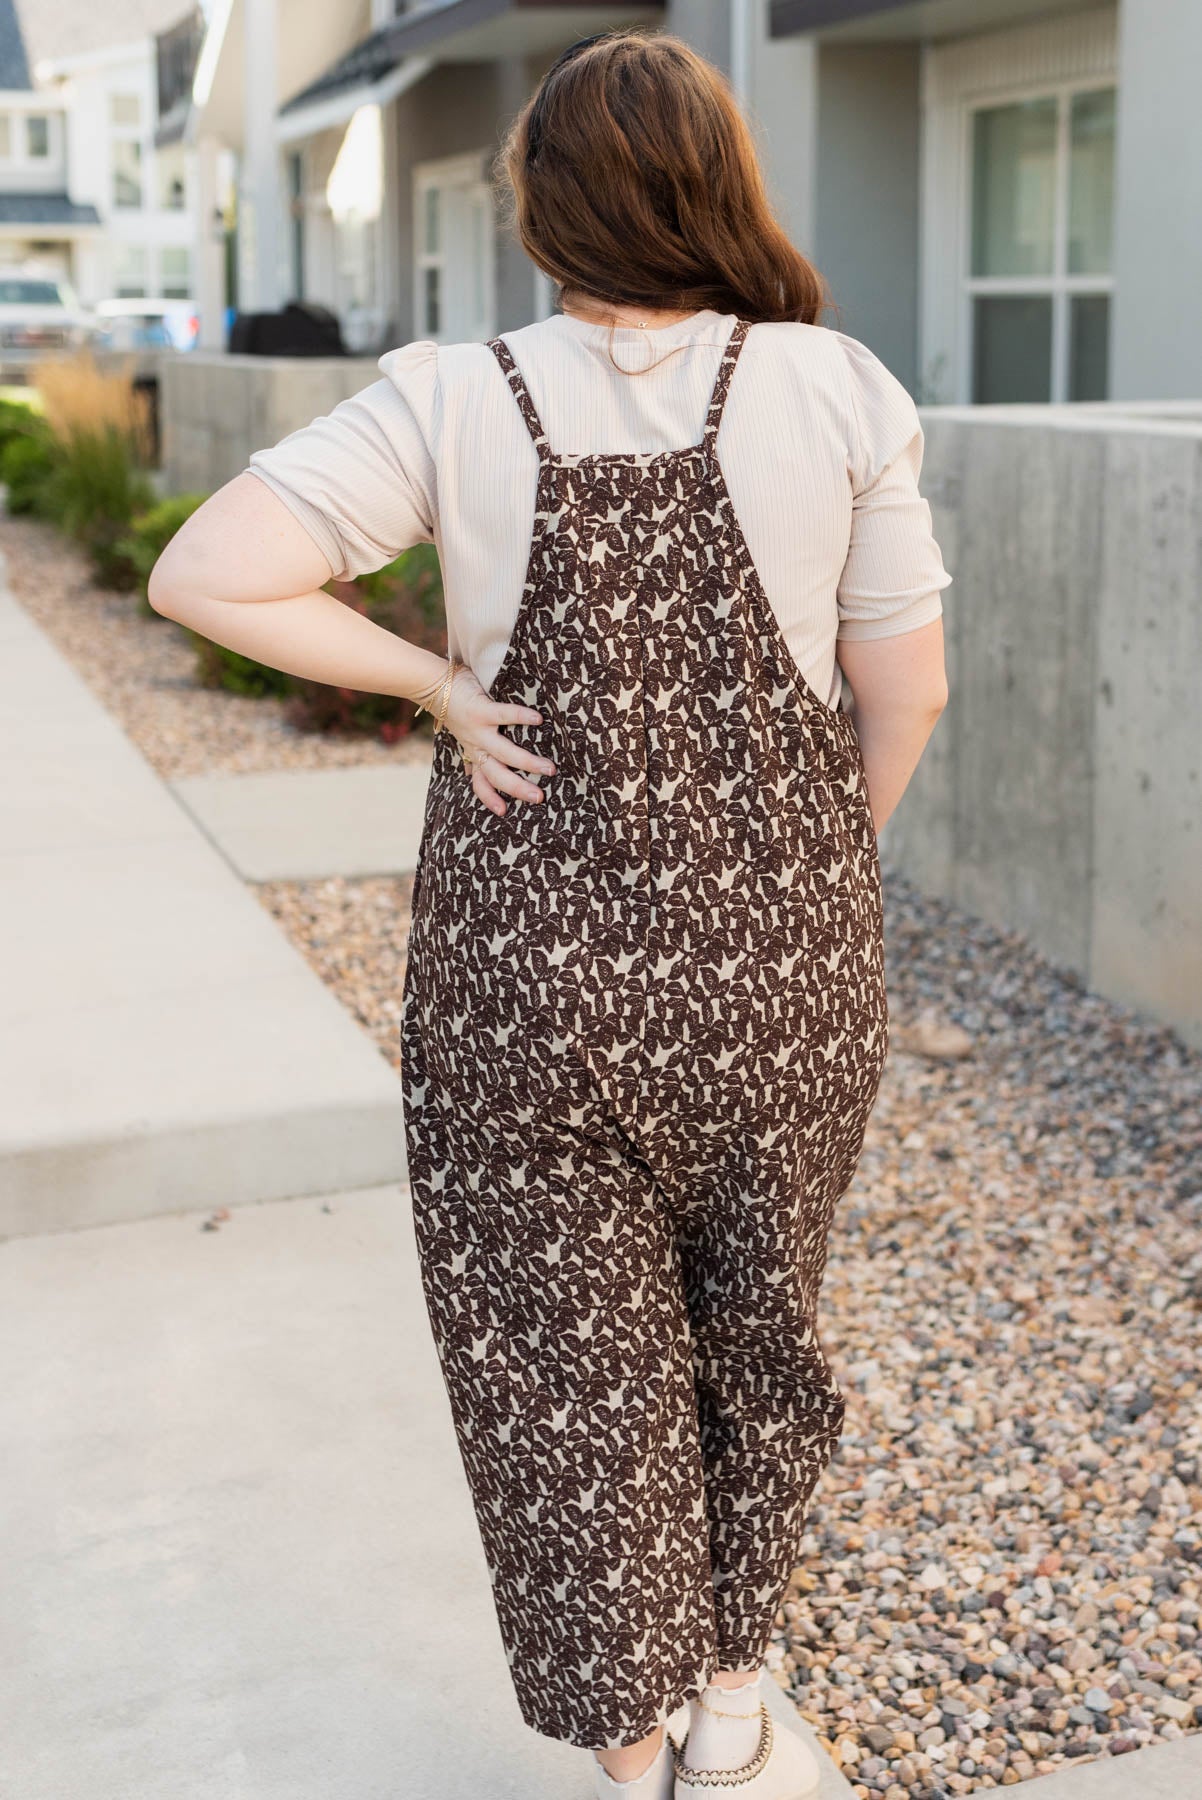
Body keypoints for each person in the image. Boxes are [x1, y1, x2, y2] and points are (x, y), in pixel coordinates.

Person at [149, 28, 951, 1800]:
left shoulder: (452, 394)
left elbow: (207, 570)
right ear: (721, 186)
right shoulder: (837, 388)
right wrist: (813, 870)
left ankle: (628, 1746)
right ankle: (733, 1686)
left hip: (529, 981)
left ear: (538, 204)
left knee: (557, 1365)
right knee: (760, 1325)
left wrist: (437, 685)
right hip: (785, 973)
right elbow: (905, 694)